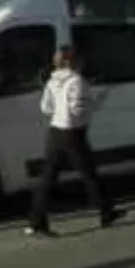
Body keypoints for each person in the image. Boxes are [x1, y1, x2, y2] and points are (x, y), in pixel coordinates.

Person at [29, 46, 121, 237]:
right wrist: (96, 101)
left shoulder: (52, 81)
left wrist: (60, 111)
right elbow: (78, 109)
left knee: (48, 178)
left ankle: (36, 221)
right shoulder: (77, 81)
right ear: (73, 62)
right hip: (73, 133)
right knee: (88, 173)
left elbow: (46, 108)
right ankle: (106, 211)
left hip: (55, 131)